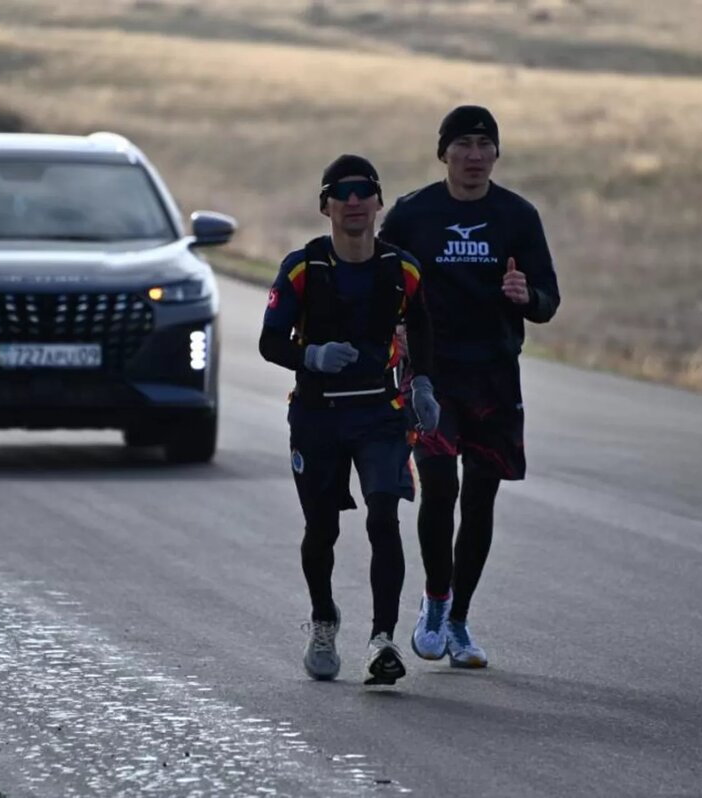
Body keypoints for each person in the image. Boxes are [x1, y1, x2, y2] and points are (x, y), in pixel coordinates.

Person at [378, 105, 561, 668]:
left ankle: (458, 622)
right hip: (432, 375)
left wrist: (523, 296)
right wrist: (397, 330)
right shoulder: (412, 214)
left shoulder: (518, 216)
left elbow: (549, 300)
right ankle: (435, 603)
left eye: (485, 144)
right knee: (439, 487)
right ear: (444, 153)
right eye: (463, 144)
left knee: (481, 496)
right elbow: (381, 286)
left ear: (496, 153)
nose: (475, 156)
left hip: (494, 376)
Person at [259, 154, 440, 686]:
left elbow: (422, 327)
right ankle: (323, 619)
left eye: (365, 191)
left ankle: (382, 640)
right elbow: (270, 341)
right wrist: (310, 356)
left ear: (380, 203)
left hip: (379, 412)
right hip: (317, 416)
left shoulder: (400, 268)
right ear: (326, 206)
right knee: (323, 528)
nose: (355, 201)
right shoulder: (303, 268)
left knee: (384, 517)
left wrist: (424, 384)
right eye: (343, 192)